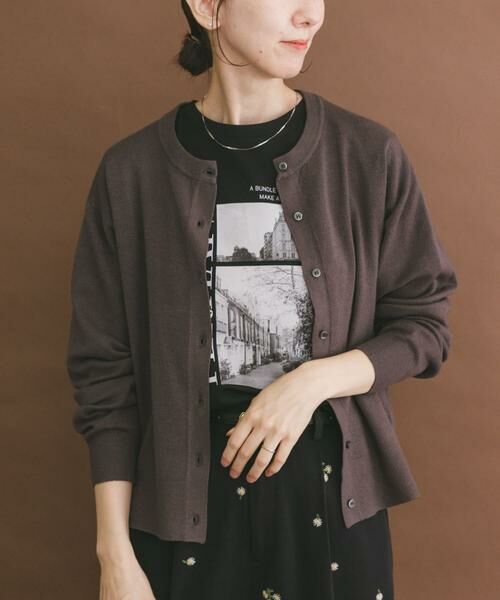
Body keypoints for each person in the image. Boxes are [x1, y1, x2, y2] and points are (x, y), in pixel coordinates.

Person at [65, 1, 458, 599]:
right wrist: (113, 555)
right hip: (186, 528)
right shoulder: (132, 173)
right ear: (207, 6)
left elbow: (425, 324)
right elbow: (105, 379)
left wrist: (311, 382)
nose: (311, 15)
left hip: (331, 516)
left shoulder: (365, 154)